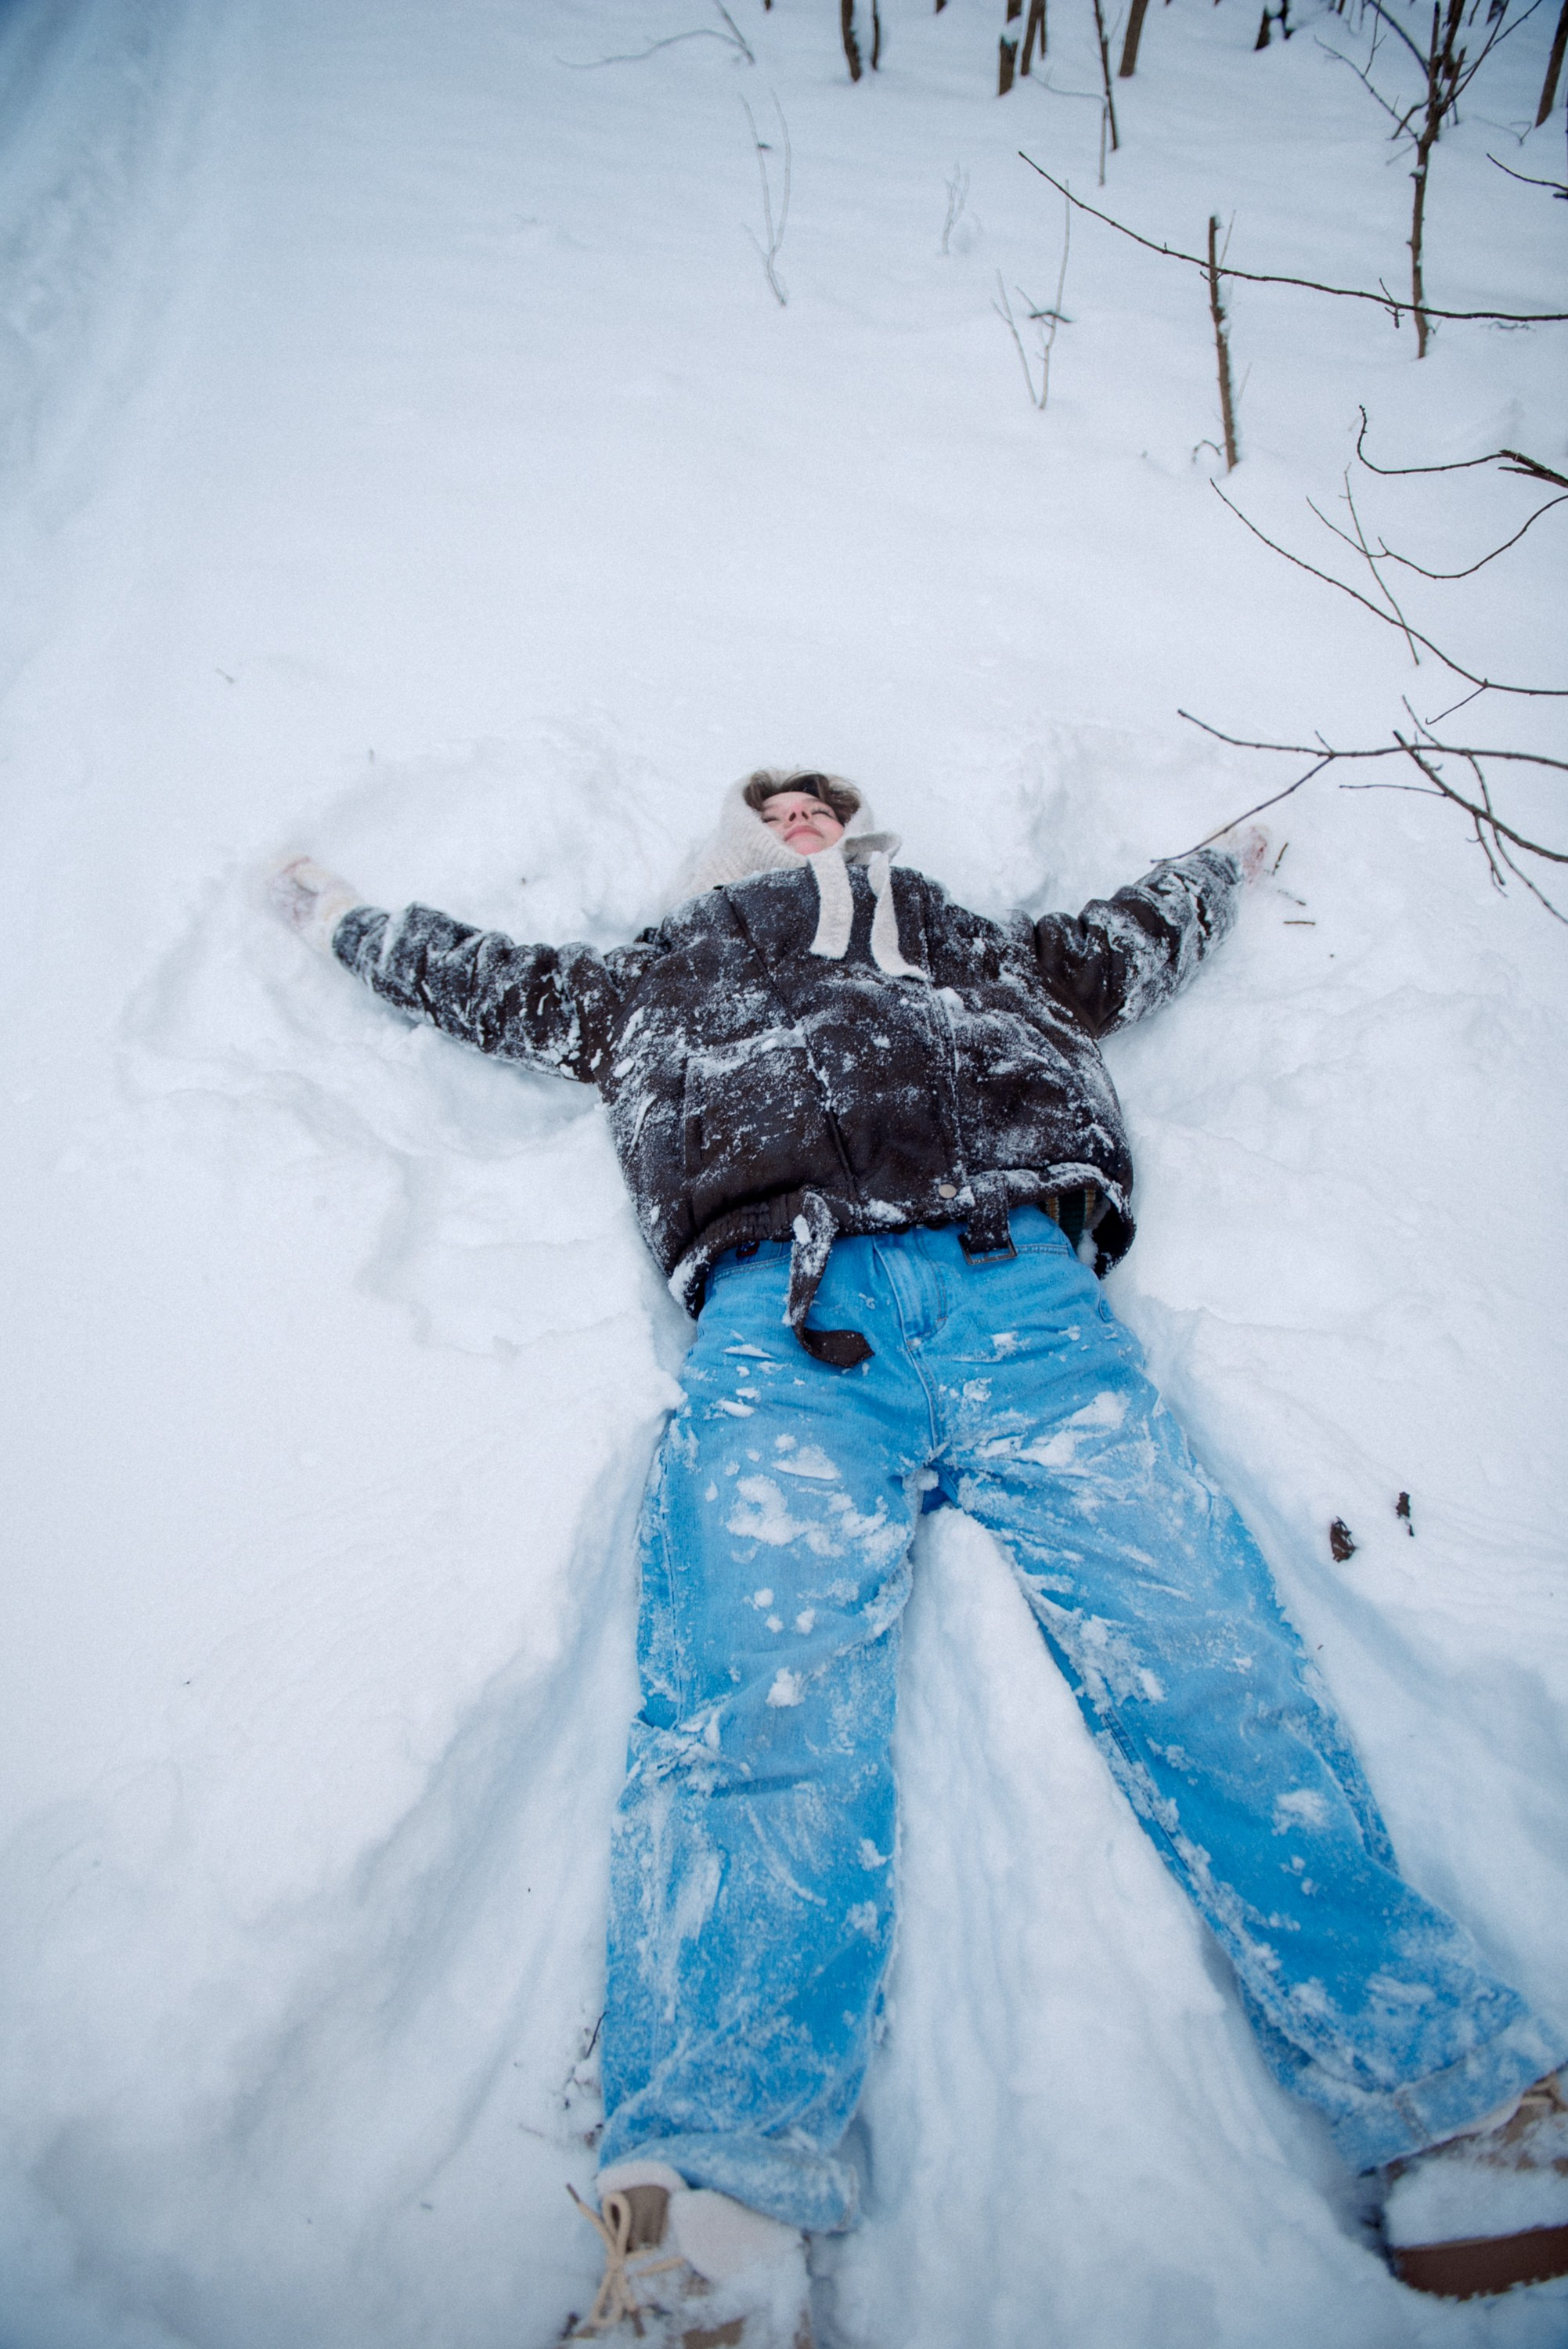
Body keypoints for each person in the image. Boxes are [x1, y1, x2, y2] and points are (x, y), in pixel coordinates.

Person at [272, 770, 1568, 2341]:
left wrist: (1221, 861)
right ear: (735, 845)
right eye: (775, 806)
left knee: (1208, 1660)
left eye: (824, 800)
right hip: (787, 1319)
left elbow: (1123, 941)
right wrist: (347, 920)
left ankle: (1454, 2092)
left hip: (1020, 1290)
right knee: (758, 1710)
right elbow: (494, 984)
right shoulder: (663, 976)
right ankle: (717, 2204)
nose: (803, 815)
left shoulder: (966, 939)